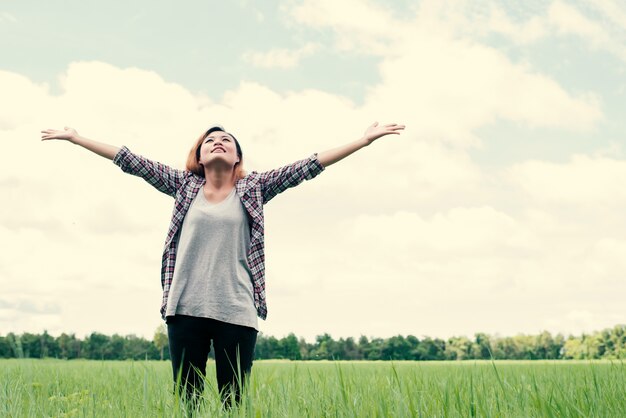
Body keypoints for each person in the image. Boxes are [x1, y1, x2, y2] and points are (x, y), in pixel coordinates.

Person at [40, 121, 405, 405]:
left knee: (233, 402)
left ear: (237, 159)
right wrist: (77, 138)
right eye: (209, 140)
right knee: (189, 402)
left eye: (226, 140)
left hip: (236, 310)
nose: (218, 141)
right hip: (185, 308)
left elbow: (308, 166)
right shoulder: (184, 186)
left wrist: (364, 140)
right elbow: (130, 161)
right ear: (199, 157)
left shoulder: (255, 188)